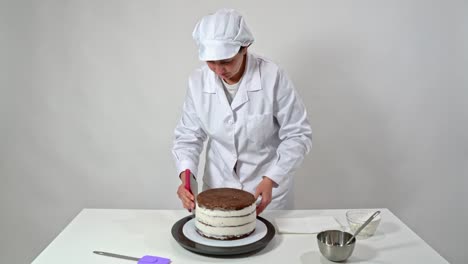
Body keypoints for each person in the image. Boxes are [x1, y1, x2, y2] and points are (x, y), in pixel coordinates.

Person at [173, 9, 312, 215]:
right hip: (217, 188)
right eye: (211, 62)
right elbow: (188, 137)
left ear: (244, 47)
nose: (219, 70)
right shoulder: (197, 82)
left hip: (265, 190)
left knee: (270, 245)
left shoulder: (272, 76)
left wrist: (272, 178)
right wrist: (186, 177)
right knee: (217, 244)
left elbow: (298, 134)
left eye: (226, 61)